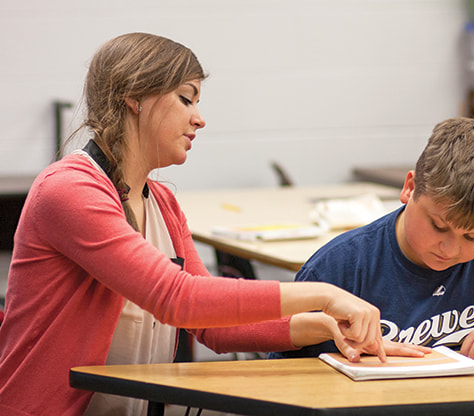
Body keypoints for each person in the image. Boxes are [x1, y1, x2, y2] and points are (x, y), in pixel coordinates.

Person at [0, 32, 406, 416]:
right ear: (134, 98)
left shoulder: (163, 202)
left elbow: (209, 325)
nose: (199, 119)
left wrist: (321, 326)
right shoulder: (70, 188)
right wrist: (323, 294)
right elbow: (178, 298)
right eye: (186, 99)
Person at [270, 117, 474, 363]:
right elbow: (278, 378)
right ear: (410, 188)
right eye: (438, 226)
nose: (450, 249)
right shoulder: (338, 270)